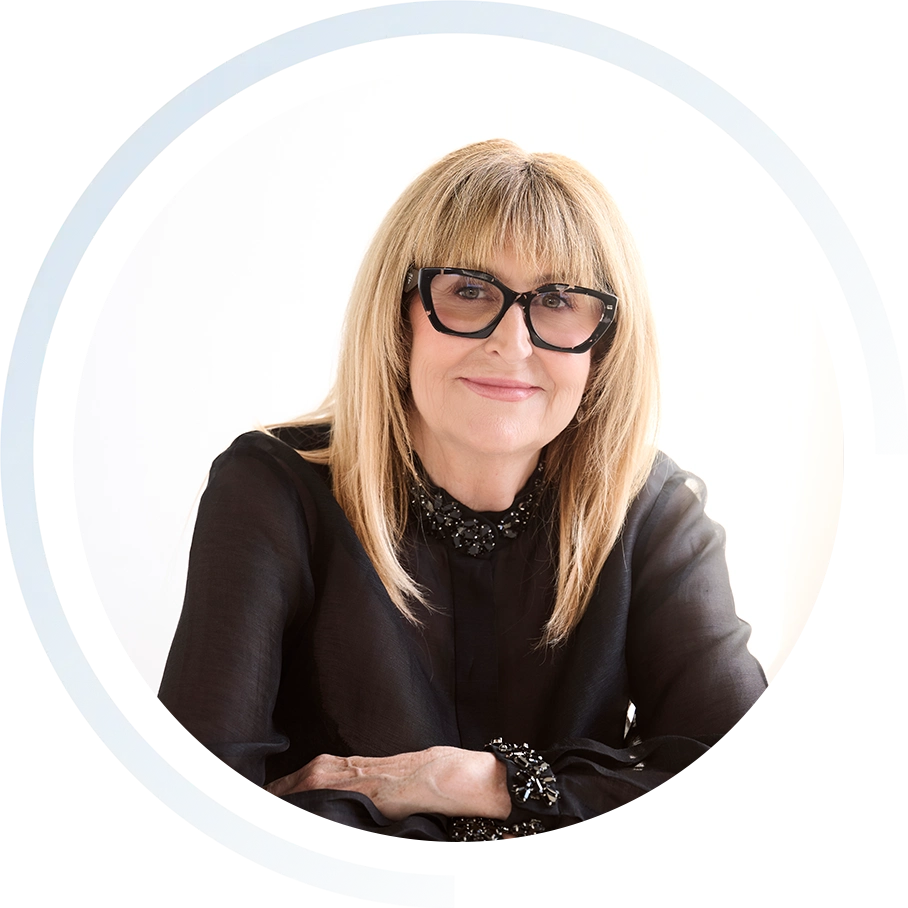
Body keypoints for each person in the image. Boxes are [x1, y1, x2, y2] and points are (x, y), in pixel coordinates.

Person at [158, 139, 768, 842]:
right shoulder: (272, 490)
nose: (513, 343)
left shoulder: (654, 511)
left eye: (559, 300)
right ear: (399, 317)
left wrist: (478, 783)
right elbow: (201, 807)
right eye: (470, 291)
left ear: (602, 347)